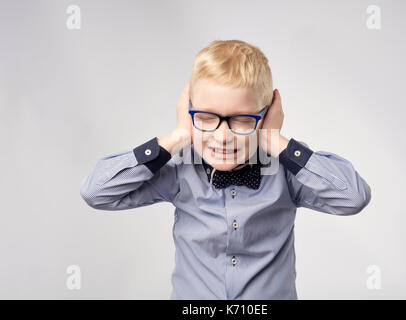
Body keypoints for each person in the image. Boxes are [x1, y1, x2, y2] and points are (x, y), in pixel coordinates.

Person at [80, 39, 371, 299]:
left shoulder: (287, 169)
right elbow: (97, 192)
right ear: (189, 110)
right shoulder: (181, 168)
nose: (222, 136)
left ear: (268, 113)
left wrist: (276, 141)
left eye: (242, 120)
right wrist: (179, 136)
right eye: (206, 117)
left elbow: (353, 197)